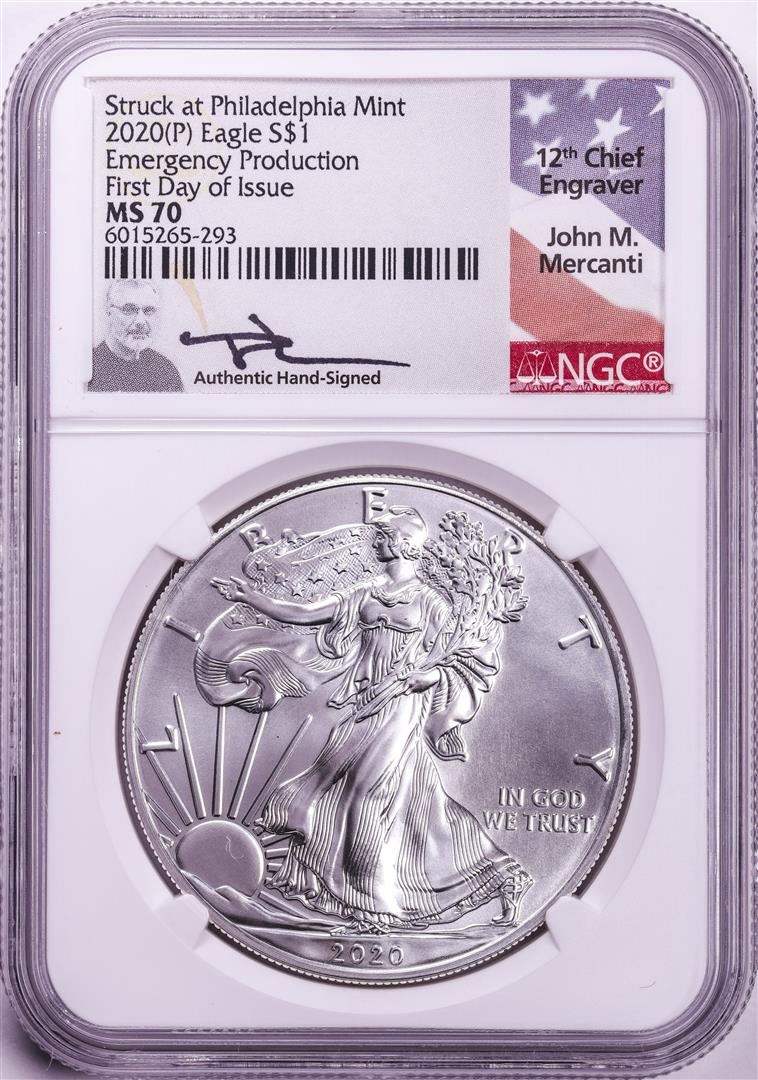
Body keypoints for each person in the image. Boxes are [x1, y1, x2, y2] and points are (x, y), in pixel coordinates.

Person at [242, 507, 533, 935]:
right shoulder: (365, 595)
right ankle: (502, 875)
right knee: (393, 802)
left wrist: (429, 676)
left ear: (403, 544)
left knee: (367, 797)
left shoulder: (431, 602)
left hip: (401, 706)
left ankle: (374, 910)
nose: (376, 542)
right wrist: (251, 598)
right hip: (363, 705)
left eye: (383, 536)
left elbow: (469, 656)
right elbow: (306, 614)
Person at [89, 280, 183, 392]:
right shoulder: (90, 366)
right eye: (129, 310)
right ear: (109, 313)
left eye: (148, 311)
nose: (140, 321)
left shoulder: (165, 371)